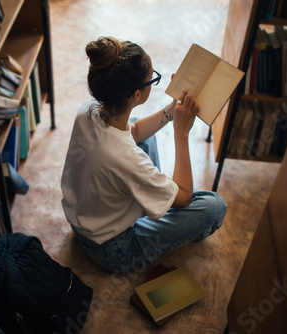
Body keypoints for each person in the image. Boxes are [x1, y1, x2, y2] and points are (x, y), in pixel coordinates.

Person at [60, 36, 227, 273]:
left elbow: (134, 131)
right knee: (214, 207)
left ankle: (153, 195)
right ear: (137, 95)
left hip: (84, 221)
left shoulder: (87, 110)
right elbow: (184, 198)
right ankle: (154, 197)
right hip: (114, 249)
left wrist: (172, 110)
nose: (153, 82)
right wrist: (181, 133)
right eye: (153, 79)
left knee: (138, 127)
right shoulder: (125, 158)